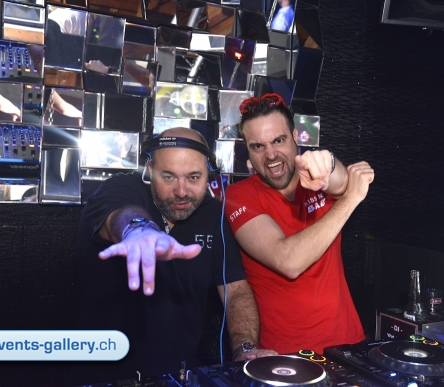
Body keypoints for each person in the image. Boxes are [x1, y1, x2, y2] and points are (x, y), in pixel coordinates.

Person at [70, 127, 276, 384]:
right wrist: (137, 229)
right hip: (104, 375)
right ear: (149, 170)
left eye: (193, 177)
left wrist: (245, 348)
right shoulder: (120, 189)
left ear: (209, 174)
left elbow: (235, 290)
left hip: (180, 376)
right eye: (168, 177)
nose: (181, 191)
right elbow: (119, 214)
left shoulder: (212, 213)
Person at [224, 93, 375, 354]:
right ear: (247, 150)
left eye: (279, 140)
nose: (271, 155)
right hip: (283, 355)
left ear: (295, 137)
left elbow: (340, 182)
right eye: (258, 146)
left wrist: (329, 164)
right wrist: (351, 199)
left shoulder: (314, 175)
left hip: (347, 344)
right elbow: (288, 261)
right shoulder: (238, 196)